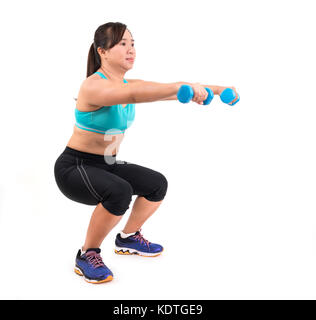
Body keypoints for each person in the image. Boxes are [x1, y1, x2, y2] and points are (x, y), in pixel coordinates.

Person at [54, 22, 238, 284]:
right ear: (102, 51)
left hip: (106, 164)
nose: (131, 50)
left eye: (133, 43)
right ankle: (87, 254)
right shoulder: (93, 86)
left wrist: (216, 91)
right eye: (122, 44)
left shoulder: (127, 83)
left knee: (156, 184)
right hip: (74, 168)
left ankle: (128, 237)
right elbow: (135, 94)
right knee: (119, 191)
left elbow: (160, 89)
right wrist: (178, 91)